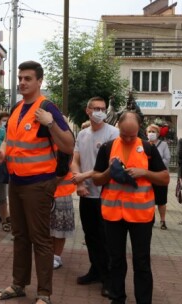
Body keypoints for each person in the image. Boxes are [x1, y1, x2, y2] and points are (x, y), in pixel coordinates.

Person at [0, 61, 74, 304]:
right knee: (20, 236)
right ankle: (18, 284)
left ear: (39, 81)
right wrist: (3, 153)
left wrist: (49, 122)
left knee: (40, 239)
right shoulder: (16, 108)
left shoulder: (47, 108)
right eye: (20, 78)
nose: (22, 82)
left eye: (28, 78)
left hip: (39, 184)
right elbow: (8, 139)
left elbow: (68, 144)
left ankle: (44, 294)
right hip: (16, 182)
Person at [92, 111, 169, 304]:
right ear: (118, 127)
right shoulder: (108, 148)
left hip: (141, 215)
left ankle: (144, 300)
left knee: (141, 262)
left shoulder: (148, 148)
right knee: (116, 261)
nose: (127, 139)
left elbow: (165, 178)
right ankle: (117, 299)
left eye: (132, 135)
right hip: (113, 214)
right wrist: (110, 171)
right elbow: (96, 178)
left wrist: (144, 172)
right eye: (123, 134)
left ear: (139, 130)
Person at [70, 96, 118, 296]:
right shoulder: (82, 134)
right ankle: (95, 270)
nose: (100, 111)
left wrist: (85, 175)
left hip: (105, 194)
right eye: (96, 108)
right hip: (86, 193)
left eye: (103, 108)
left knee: (105, 237)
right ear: (87, 111)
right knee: (90, 235)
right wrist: (80, 183)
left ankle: (109, 278)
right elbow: (75, 159)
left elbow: (113, 165)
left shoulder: (113, 133)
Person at [147, 124, 171, 230]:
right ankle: (150, 219)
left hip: (160, 175)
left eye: (154, 131)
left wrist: (157, 167)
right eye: (149, 131)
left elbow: (167, 158)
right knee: (149, 199)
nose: (151, 133)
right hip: (148, 176)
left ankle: (163, 220)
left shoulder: (163, 144)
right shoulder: (144, 144)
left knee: (161, 200)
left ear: (158, 133)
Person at [50, 169, 75, 270]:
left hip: (62, 193)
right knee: (49, 228)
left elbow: (64, 171)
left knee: (60, 228)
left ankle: (56, 256)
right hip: (48, 193)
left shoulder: (64, 153)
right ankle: (51, 255)